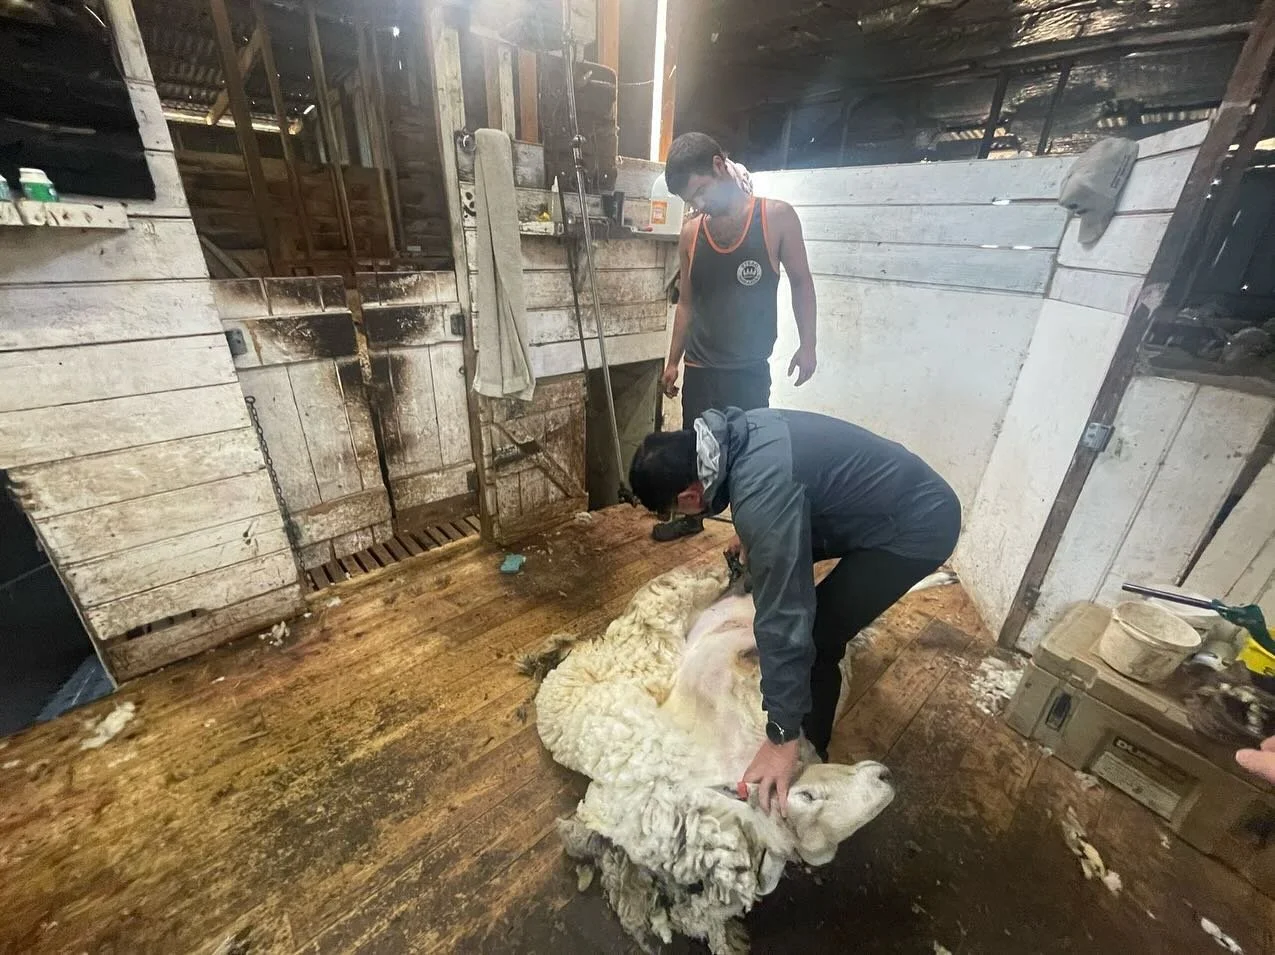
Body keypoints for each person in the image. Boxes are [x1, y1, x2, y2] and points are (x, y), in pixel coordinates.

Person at [629, 407, 961, 815]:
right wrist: (752, 531)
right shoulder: (733, 434)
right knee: (772, 568)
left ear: (689, 497)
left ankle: (805, 749)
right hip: (883, 500)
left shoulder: (761, 495)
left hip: (918, 527)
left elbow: (787, 617)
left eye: (678, 512)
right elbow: (780, 488)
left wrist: (780, 734)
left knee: (818, 634)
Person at [652, 132, 818, 542]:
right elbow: (686, 304)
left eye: (702, 193)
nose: (700, 205)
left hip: (748, 370)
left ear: (718, 164)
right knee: (697, 449)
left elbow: (801, 282)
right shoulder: (692, 233)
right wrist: (672, 361)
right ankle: (693, 519)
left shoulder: (775, 218)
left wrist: (808, 345)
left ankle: (750, 538)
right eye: (692, 201)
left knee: (749, 458)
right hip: (702, 368)